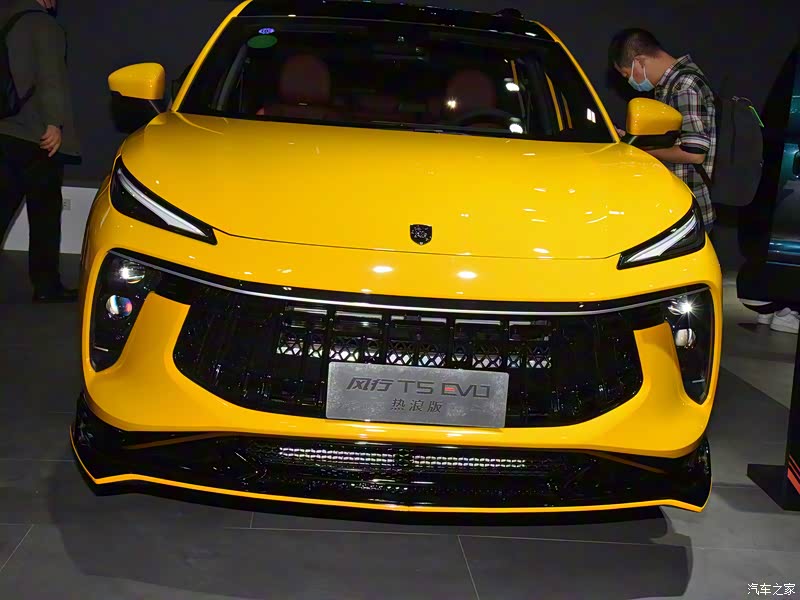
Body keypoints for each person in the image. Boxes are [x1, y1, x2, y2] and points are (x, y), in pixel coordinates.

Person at [0, 0, 79, 303]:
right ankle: (46, 286)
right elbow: (51, 77)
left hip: (4, 129)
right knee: (45, 214)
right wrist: (54, 123)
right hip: (35, 135)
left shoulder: (5, 19)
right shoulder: (43, 25)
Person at [609, 28, 717, 233]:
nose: (628, 81)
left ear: (639, 61)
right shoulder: (671, 85)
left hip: (689, 207)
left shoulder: (683, 86)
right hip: (679, 204)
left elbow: (694, 153)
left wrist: (643, 151)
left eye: (626, 74)